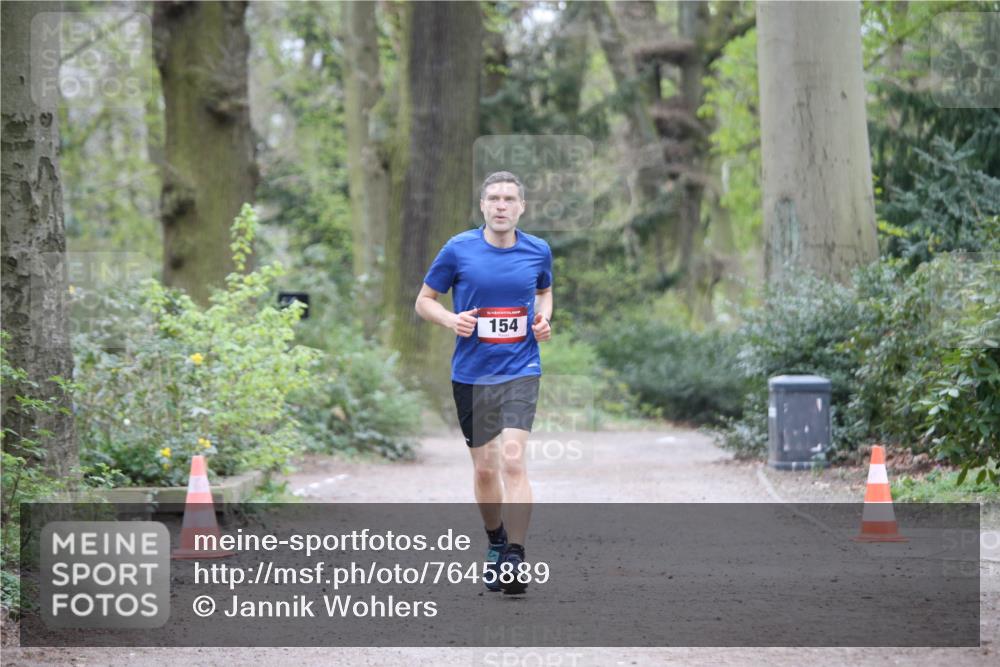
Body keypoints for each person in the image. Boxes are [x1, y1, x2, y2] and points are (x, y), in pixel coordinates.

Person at [414, 171, 553, 595]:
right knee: (486, 468)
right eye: (494, 198)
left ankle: (515, 555)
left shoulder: (538, 250)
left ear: (521, 207)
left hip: (521, 369)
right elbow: (423, 301)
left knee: (513, 462)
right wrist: (450, 319)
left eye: (509, 199)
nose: (501, 205)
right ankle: (495, 540)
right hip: (472, 374)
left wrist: (544, 319)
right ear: (482, 206)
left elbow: (544, 291)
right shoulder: (458, 249)